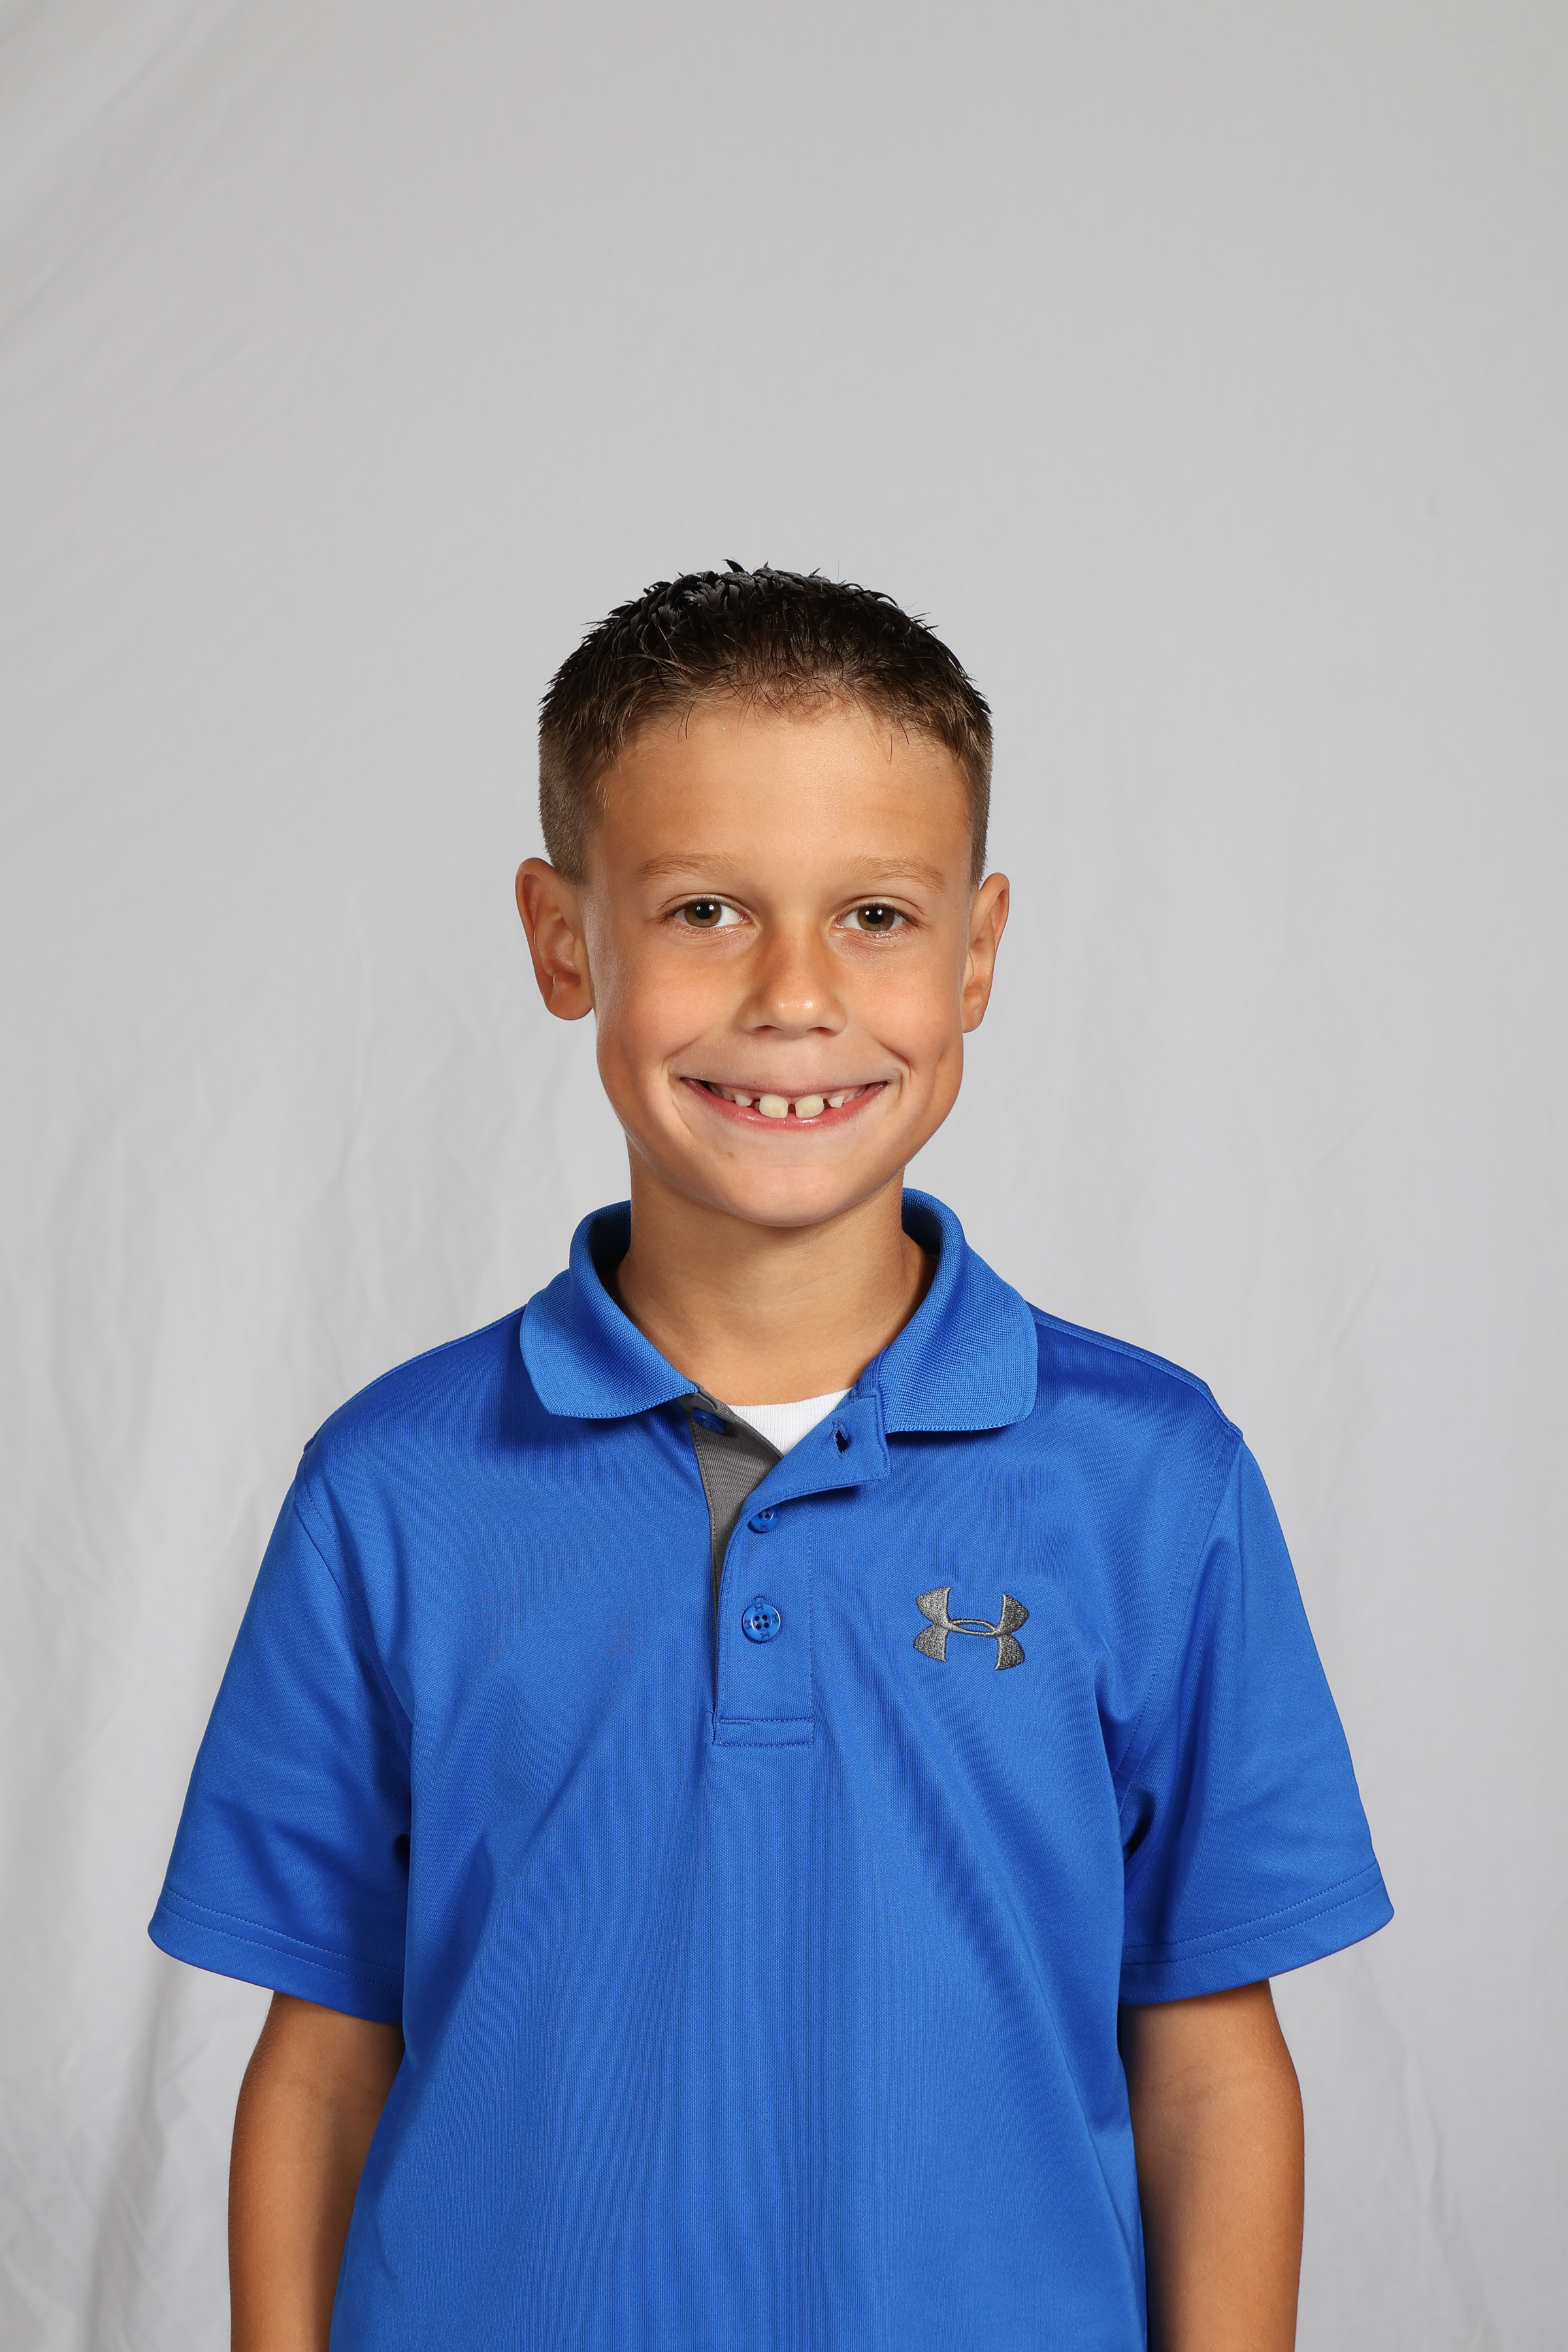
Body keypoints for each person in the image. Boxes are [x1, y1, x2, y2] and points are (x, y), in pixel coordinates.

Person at [150, 564, 1392, 2351]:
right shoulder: (391, 1488)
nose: (797, 994)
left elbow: (1208, 2058)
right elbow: (327, 2053)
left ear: (978, 951)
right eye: (708, 909)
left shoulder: (1153, 1479)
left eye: (877, 914)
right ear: (562, 936)